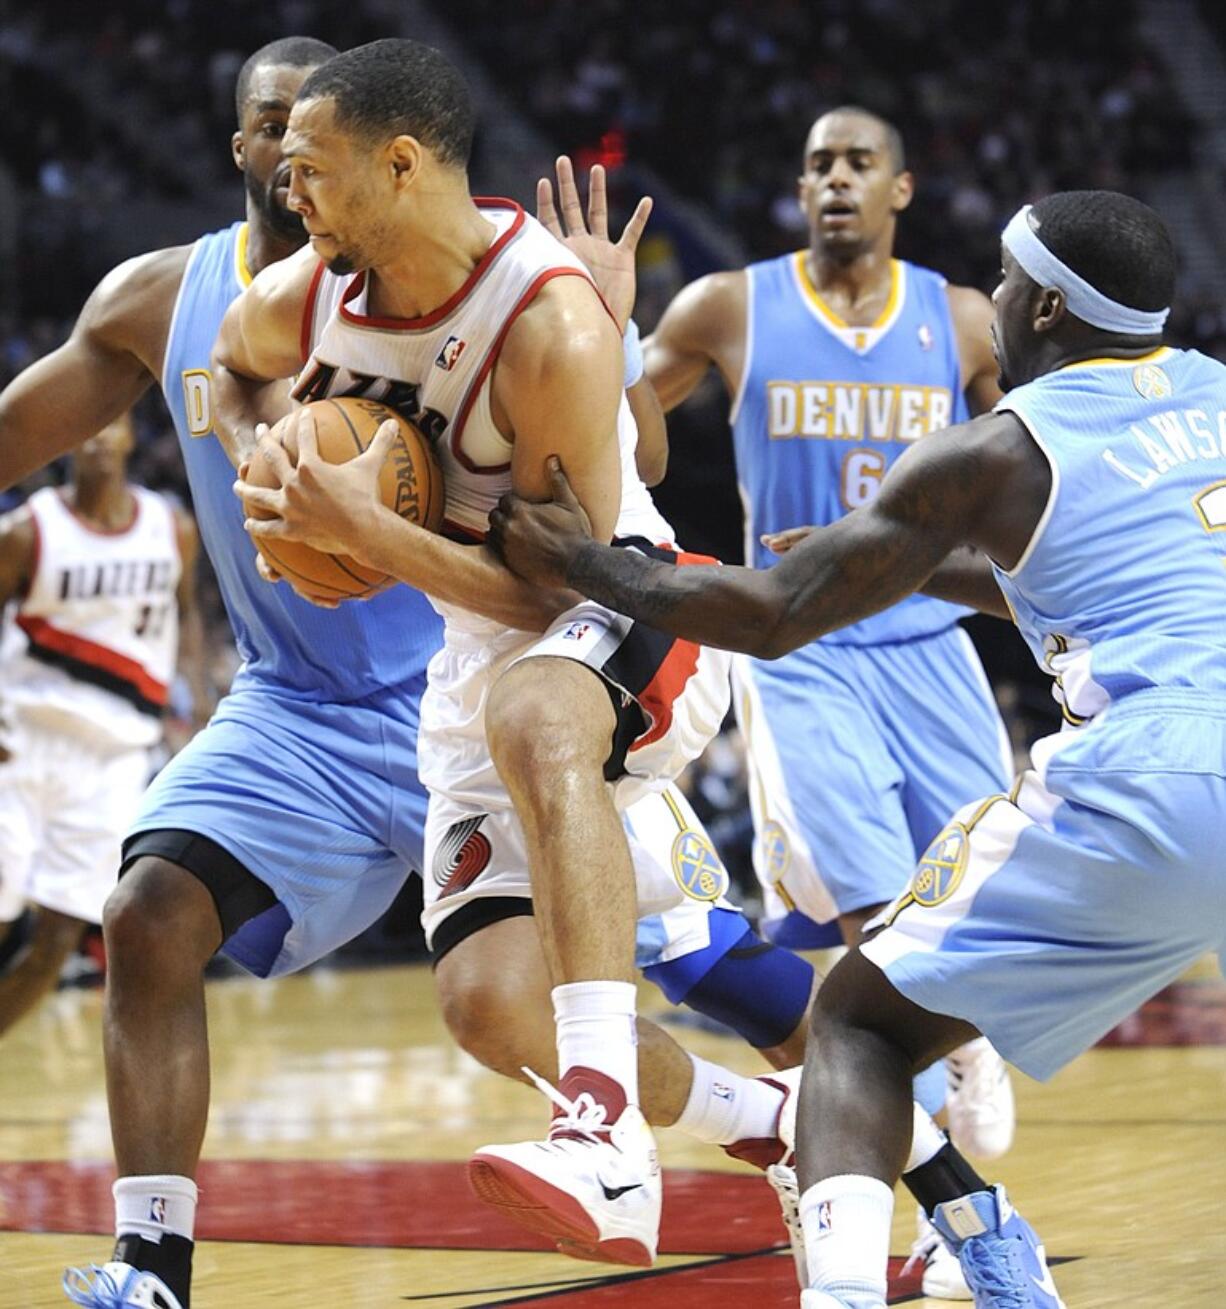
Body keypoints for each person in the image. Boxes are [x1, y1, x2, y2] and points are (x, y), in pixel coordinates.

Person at [0, 40, 815, 1309]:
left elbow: (619, 478)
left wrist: (607, 323)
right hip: (309, 715)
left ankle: (904, 1160)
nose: (288, 161)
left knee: (716, 964)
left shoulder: (513, 297)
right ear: (243, 150)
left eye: (309, 140)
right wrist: (258, 443)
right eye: (270, 135)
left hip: (521, 655)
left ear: (385, 157)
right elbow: (84, 412)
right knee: (152, 916)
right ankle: (152, 1265)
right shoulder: (188, 299)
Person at [490, 187, 1216, 1306]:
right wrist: (909, 568)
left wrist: (581, 563)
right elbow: (1097, 580)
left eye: (1011, 286)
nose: (996, 307)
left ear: (1048, 310)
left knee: (857, 1026)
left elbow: (773, 614)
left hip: (1154, 776)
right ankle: (978, 1229)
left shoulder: (997, 447)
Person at [222, 37, 806, 1275]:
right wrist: (257, 456)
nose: (289, 192)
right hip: (477, 657)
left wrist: (370, 531)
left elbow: (580, 582)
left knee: (542, 710)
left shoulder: (545, 324)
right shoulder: (311, 293)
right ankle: (779, 1119)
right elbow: (229, 364)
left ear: (397, 162)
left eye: (311, 170)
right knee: (489, 1005)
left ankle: (600, 1134)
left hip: (641, 606)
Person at [645, 106, 1017, 1196]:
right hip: (799, 642)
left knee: (975, 899)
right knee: (867, 906)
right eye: (817, 165)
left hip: (929, 642)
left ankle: (964, 1049)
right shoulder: (729, 305)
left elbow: (1032, 464)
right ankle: (945, 1169)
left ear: (899, 189)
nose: (836, 180)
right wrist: (601, 325)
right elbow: (615, 420)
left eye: (859, 163)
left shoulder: (953, 319)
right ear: (796, 190)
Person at [0, 413, 207, 1039]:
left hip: (116, 755)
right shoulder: (27, 531)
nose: (92, 436)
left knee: (61, 935)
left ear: (128, 435)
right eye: (81, 426)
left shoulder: (171, 529)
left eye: (108, 424)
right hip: (23, 743)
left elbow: (187, 615)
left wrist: (194, 705)